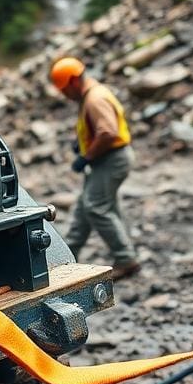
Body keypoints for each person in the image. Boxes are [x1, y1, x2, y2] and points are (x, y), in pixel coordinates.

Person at [49, 57, 140, 278]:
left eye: (64, 91)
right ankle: (67, 258)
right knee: (84, 207)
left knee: (96, 206)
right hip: (106, 159)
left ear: (72, 81)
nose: (65, 96)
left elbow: (108, 132)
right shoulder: (93, 94)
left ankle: (126, 258)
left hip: (111, 159)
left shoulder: (94, 99)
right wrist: (82, 144)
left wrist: (86, 157)